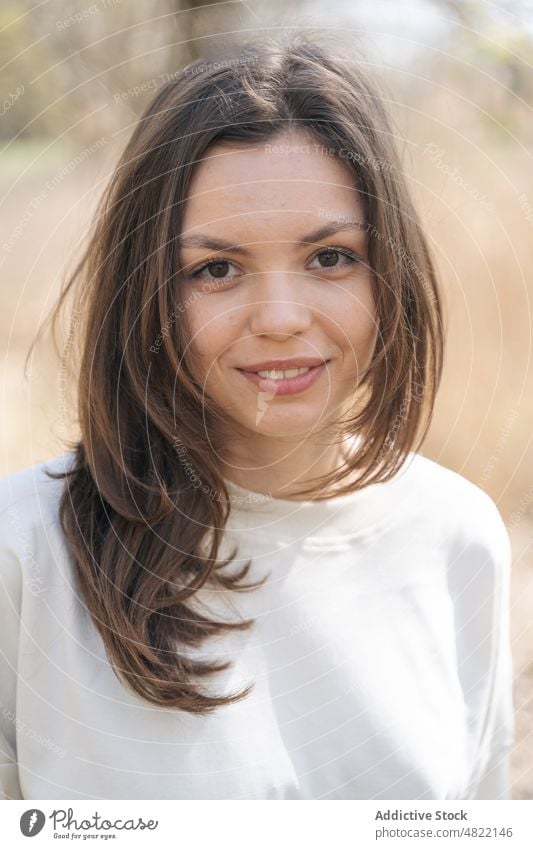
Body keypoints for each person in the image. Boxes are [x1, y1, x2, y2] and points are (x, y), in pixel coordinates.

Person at [0, 33, 514, 800]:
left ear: (390, 271)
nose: (279, 317)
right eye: (217, 269)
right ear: (150, 297)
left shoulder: (458, 537)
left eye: (330, 257)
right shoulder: (23, 549)